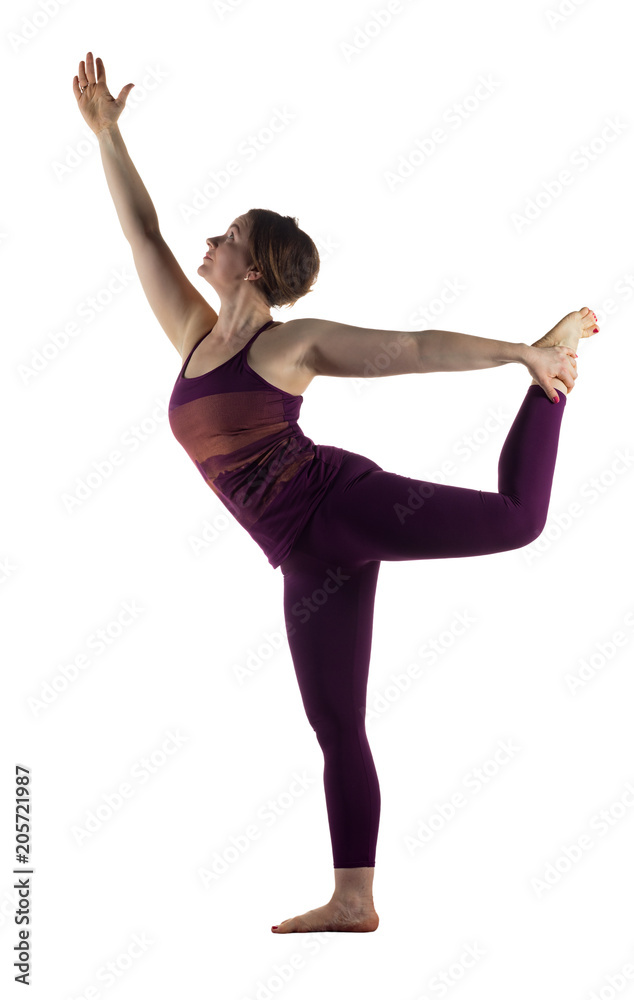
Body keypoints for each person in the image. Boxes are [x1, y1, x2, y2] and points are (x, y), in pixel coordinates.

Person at [74, 52, 599, 934]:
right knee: (336, 724)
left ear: (252, 269)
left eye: (228, 236)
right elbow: (143, 233)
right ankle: (354, 899)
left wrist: (518, 352)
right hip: (304, 558)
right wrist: (108, 135)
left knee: (521, 522)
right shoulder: (197, 338)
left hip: (340, 505)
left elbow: (416, 347)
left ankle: (552, 374)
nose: (210, 241)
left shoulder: (287, 346)